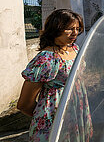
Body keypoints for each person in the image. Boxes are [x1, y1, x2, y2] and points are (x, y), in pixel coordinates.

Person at [17, 9, 92, 141]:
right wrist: (48, 118)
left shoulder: (75, 49)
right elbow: (24, 104)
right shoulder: (46, 59)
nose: (75, 33)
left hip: (77, 111)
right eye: (69, 29)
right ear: (56, 29)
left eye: (77, 28)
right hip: (55, 118)